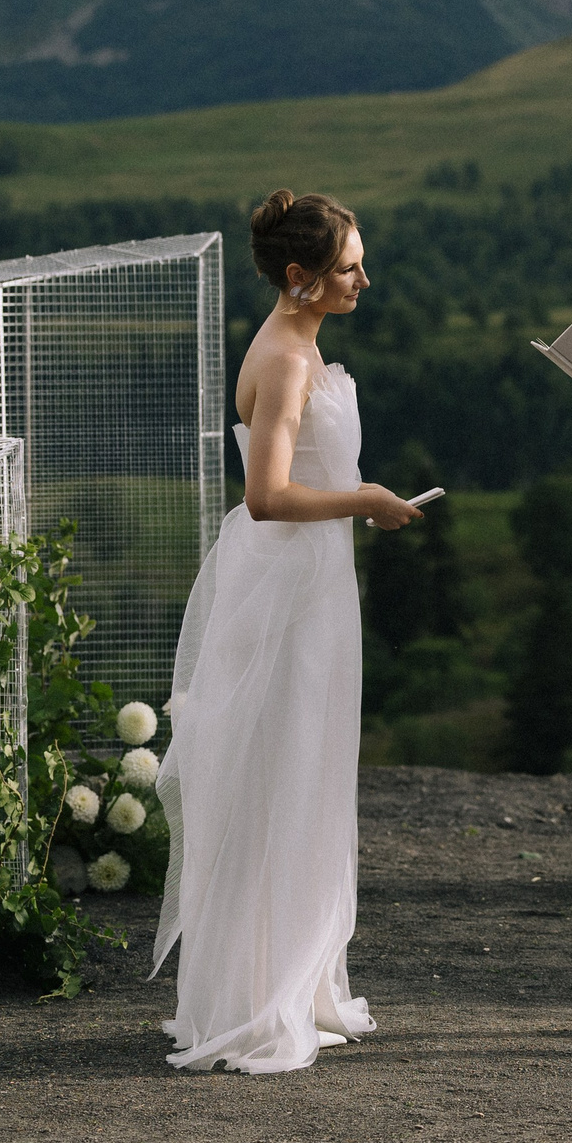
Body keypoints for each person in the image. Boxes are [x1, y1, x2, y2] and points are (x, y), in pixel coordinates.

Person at [153, 189, 424, 1073]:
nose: (364, 279)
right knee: (285, 766)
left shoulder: (300, 343)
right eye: (348, 267)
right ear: (301, 278)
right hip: (290, 588)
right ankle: (256, 990)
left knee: (309, 768)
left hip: (316, 581)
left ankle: (299, 972)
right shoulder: (285, 358)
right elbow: (265, 497)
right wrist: (369, 500)